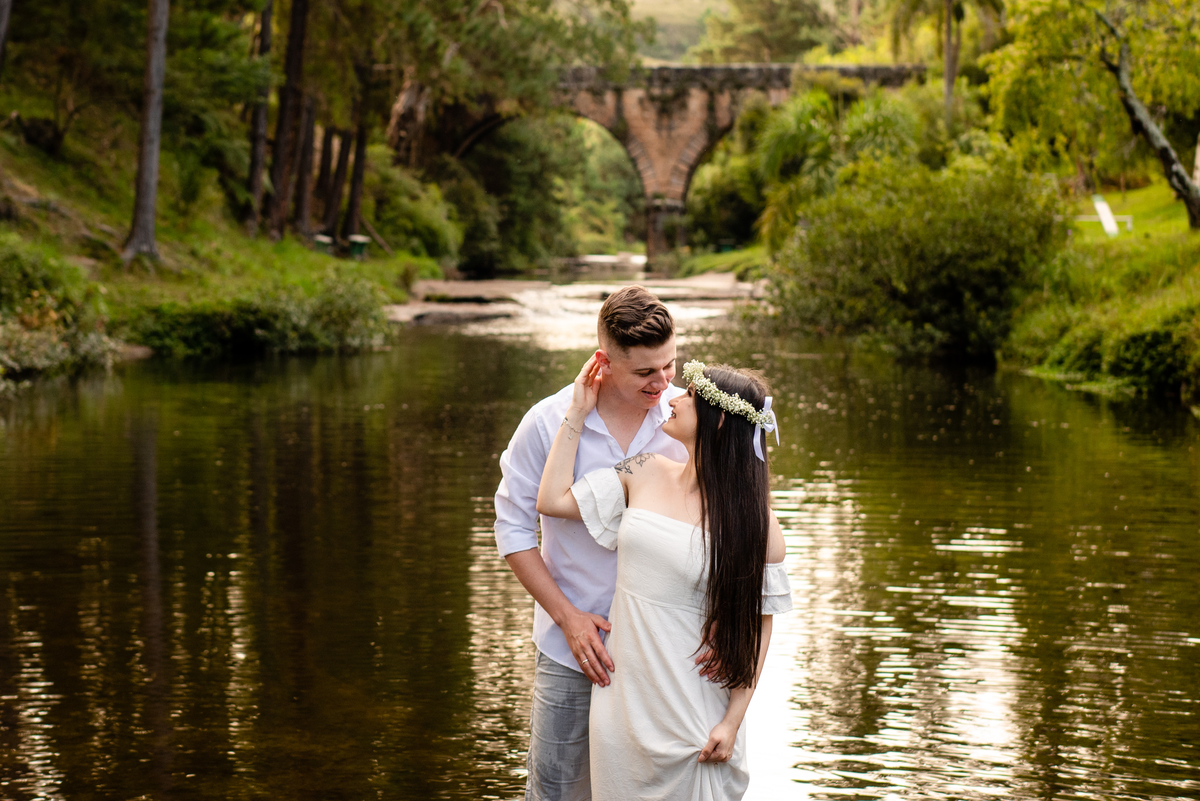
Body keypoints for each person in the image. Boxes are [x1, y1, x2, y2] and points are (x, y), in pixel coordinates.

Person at [536, 356, 792, 801]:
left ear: (715, 424)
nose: (675, 399)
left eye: (690, 397)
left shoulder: (758, 524)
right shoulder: (646, 469)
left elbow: (759, 627)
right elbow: (552, 499)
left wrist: (732, 721)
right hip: (623, 699)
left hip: (693, 710)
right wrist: (576, 413)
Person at [494, 286, 688, 801]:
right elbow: (512, 529)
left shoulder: (684, 421)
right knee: (557, 791)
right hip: (572, 650)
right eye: (646, 372)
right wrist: (567, 617)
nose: (663, 382)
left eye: (670, 364)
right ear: (603, 361)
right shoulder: (546, 421)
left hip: (664, 648)